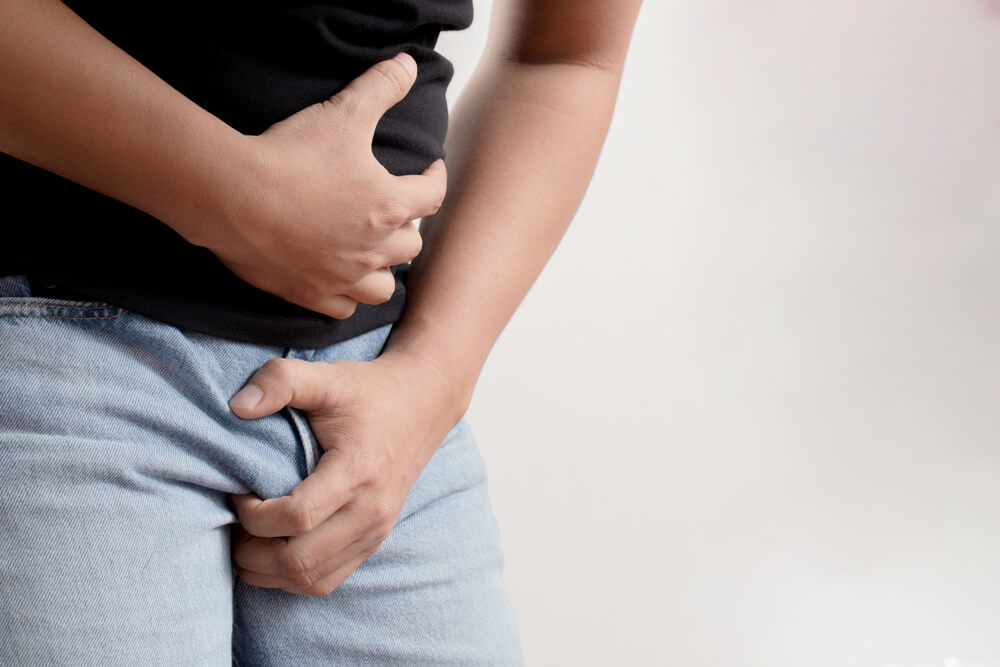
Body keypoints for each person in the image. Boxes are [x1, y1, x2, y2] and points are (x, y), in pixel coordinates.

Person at [0, 0, 643, 663]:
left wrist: (429, 382)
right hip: (61, 344)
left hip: (376, 401)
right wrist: (236, 196)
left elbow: (566, 54)